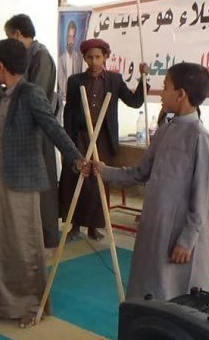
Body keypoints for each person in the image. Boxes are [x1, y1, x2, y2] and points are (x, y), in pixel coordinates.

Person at [0, 38, 87, 328]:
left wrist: (76, 158)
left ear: (0, 66)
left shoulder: (31, 93)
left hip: (22, 182)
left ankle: (30, 304)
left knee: (24, 243)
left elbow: (53, 128)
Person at [93, 62, 209, 301]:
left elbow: (203, 198)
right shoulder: (164, 131)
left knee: (180, 295)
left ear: (181, 95)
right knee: (150, 288)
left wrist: (187, 240)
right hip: (156, 227)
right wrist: (104, 171)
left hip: (181, 234)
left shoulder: (200, 139)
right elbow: (140, 173)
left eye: (165, 87)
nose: (161, 93)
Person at [59, 38, 146, 241]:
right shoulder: (75, 81)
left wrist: (143, 79)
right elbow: (69, 113)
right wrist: (67, 144)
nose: (94, 61)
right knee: (76, 178)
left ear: (106, 57)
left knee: (97, 179)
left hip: (103, 139)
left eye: (98, 57)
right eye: (90, 57)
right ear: (84, 58)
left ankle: (93, 226)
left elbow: (134, 102)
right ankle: (75, 225)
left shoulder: (115, 80)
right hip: (79, 137)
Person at [5, 14, 61, 251]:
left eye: (9, 37)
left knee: (44, 186)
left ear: (18, 34)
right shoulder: (28, 57)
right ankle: (31, 234)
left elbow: (34, 95)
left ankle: (48, 238)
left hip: (40, 130)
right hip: (25, 129)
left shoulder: (41, 57)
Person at [57, 20, 84, 99]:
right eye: (69, 36)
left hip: (76, 97)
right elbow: (61, 83)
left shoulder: (79, 59)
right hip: (64, 97)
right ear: (66, 37)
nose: (71, 41)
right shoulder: (60, 60)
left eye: (73, 37)